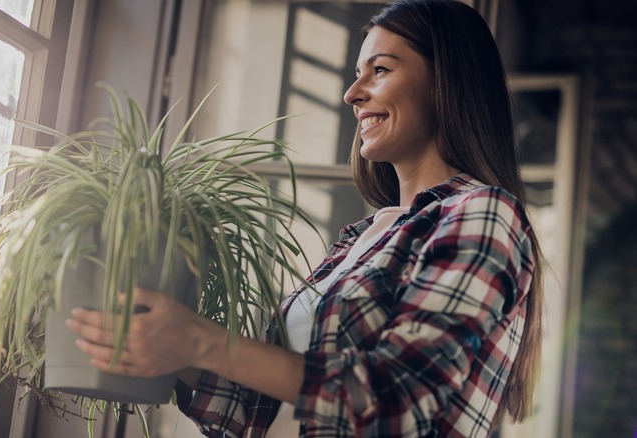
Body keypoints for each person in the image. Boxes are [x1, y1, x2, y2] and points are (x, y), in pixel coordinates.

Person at [65, 0, 545, 436]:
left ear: (448, 81)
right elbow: (258, 411)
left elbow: (398, 401)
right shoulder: (362, 238)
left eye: (379, 69)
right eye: (358, 73)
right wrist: (166, 345)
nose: (352, 94)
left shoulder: (484, 214)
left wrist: (200, 342)